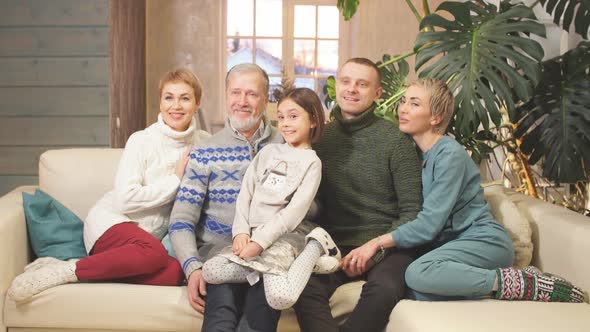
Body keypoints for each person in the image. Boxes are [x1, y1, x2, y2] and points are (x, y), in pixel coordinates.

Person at [346, 77, 585, 303]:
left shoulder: (449, 154)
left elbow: (429, 224)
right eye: (403, 101)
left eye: (414, 103)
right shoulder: (416, 154)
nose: (403, 109)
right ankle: (494, 287)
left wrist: (375, 243)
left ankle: (521, 282)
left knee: (419, 273)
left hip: (483, 242)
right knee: (409, 289)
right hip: (451, 249)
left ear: (436, 117)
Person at [8, 68, 211, 301]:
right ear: (160, 102)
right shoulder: (142, 141)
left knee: (177, 272)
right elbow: (126, 198)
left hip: (142, 246)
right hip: (112, 224)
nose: (176, 106)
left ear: (197, 104)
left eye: (185, 98)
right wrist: (176, 179)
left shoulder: (204, 143)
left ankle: (101, 268)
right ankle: (69, 270)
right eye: (169, 97)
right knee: (154, 253)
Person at [293, 58, 423, 332]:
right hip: (333, 245)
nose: (352, 89)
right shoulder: (319, 139)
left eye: (362, 84)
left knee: (385, 288)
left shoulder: (396, 140)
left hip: (387, 246)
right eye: (346, 81)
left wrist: (374, 252)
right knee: (301, 288)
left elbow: (412, 211)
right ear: (336, 86)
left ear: (377, 94)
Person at [202, 87, 341, 310]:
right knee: (211, 270)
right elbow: (245, 194)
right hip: (251, 236)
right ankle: (302, 264)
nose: (285, 124)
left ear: (314, 120)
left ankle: (314, 246)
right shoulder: (268, 153)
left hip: (282, 237)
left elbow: (293, 212)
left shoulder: (312, 163)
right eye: (281, 117)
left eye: (294, 117)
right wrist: (241, 232)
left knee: (280, 298)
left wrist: (260, 242)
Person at [169, 63, 284, 332]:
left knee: (256, 324)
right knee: (219, 321)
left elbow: (311, 206)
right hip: (218, 258)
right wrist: (193, 267)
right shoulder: (205, 151)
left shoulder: (285, 144)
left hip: (268, 261)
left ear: (266, 100)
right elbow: (181, 220)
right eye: (235, 93)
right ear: (226, 96)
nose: (242, 102)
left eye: (252, 94)